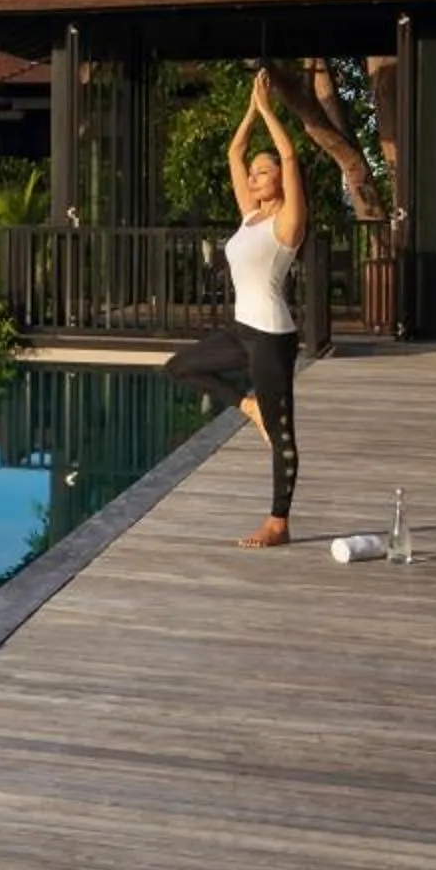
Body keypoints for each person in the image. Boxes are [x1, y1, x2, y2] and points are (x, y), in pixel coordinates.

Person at [162, 66, 307, 548]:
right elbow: (233, 152)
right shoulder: (250, 216)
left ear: (280, 180)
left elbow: (288, 153)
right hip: (241, 330)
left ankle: (278, 523)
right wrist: (249, 108)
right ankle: (247, 405)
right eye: (253, 173)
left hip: (271, 336)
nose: (253, 175)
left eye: (262, 173)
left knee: (282, 431)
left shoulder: (288, 222)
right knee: (180, 367)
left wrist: (269, 110)